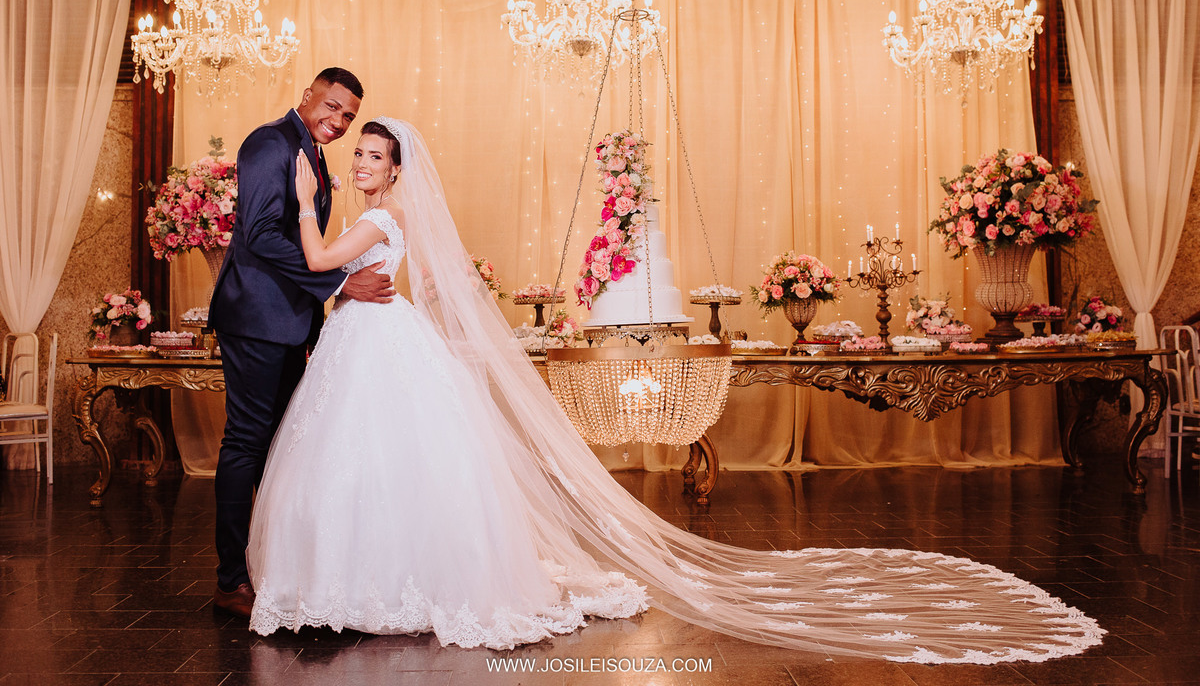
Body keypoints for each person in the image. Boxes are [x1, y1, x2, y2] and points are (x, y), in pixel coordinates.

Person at [246, 117, 1106, 662]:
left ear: (396, 172)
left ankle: (367, 584)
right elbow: (403, 283)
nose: (359, 163)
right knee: (379, 464)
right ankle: (376, 580)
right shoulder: (394, 222)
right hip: (372, 337)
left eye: (373, 156)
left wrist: (302, 192)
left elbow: (322, 261)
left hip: (372, 338)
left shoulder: (372, 215)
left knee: (369, 462)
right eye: (355, 154)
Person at [208, 68, 394, 619]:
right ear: (308, 94)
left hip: (289, 322)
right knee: (246, 443)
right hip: (255, 320)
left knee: (286, 446)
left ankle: (279, 569)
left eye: (347, 117)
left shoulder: (310, 151)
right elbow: (260, 233)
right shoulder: (271, 143)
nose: (336, 122)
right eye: (331, 107)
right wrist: (340, 282)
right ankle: (230, 580)